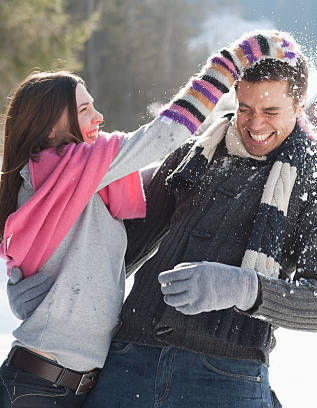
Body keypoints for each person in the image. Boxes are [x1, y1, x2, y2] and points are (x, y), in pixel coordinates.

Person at [9, 30, 317, 408]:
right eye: (245, 108)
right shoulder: (194, 154)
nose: (254, 124)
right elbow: (120, 248)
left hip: (225, 373)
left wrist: (244, 288)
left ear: (299, 105)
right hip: (128, 362)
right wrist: (50, 280)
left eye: (271, 112)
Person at [0, 36, 250, 407]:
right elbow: (163, 135)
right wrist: (227, 67)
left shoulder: (66, 185)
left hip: (64, 385)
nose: (98, 118)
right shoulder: (68, 170)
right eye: (85, 110)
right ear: (51, 129)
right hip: (39, 388)